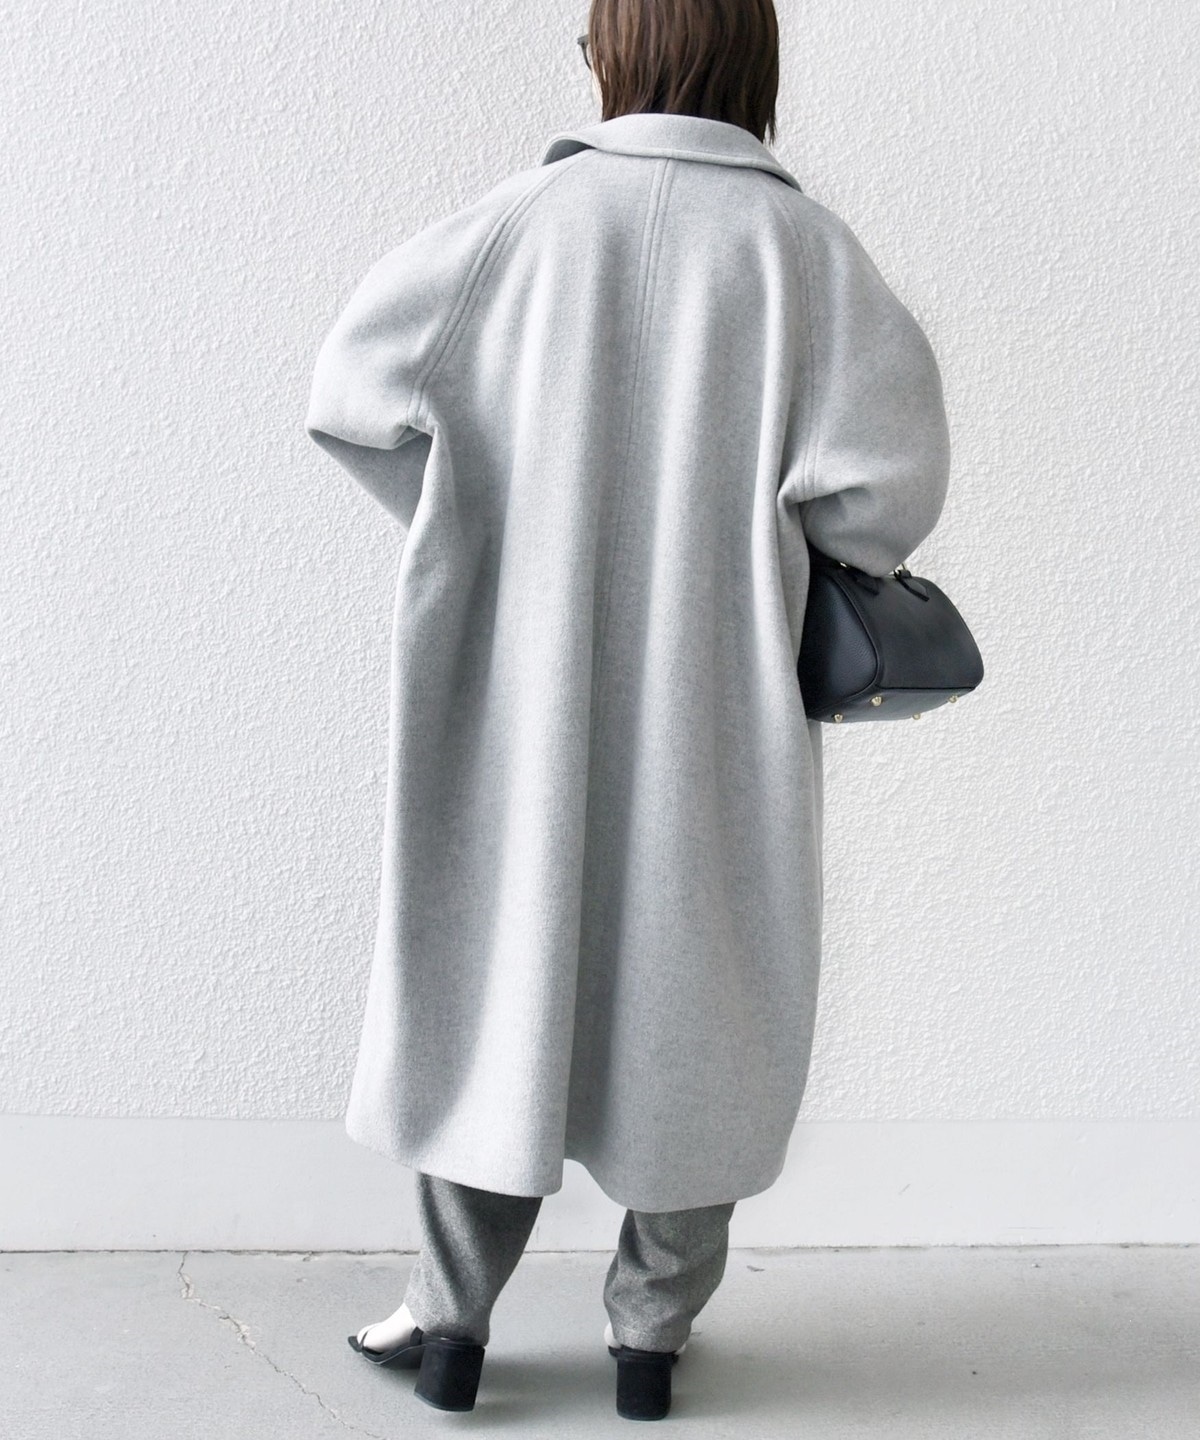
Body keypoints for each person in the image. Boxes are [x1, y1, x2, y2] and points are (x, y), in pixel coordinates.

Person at [304, 0, 950, 1421]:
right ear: (750, 63)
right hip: (718, 700)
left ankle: (454, 1325)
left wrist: (467, 530)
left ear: (613, 53)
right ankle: (648, 1340)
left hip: (509, 689)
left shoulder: (515, 229)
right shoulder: (805, 255)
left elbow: (352, 395)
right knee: (705, 991)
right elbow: (885, 496)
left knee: (494, 975)